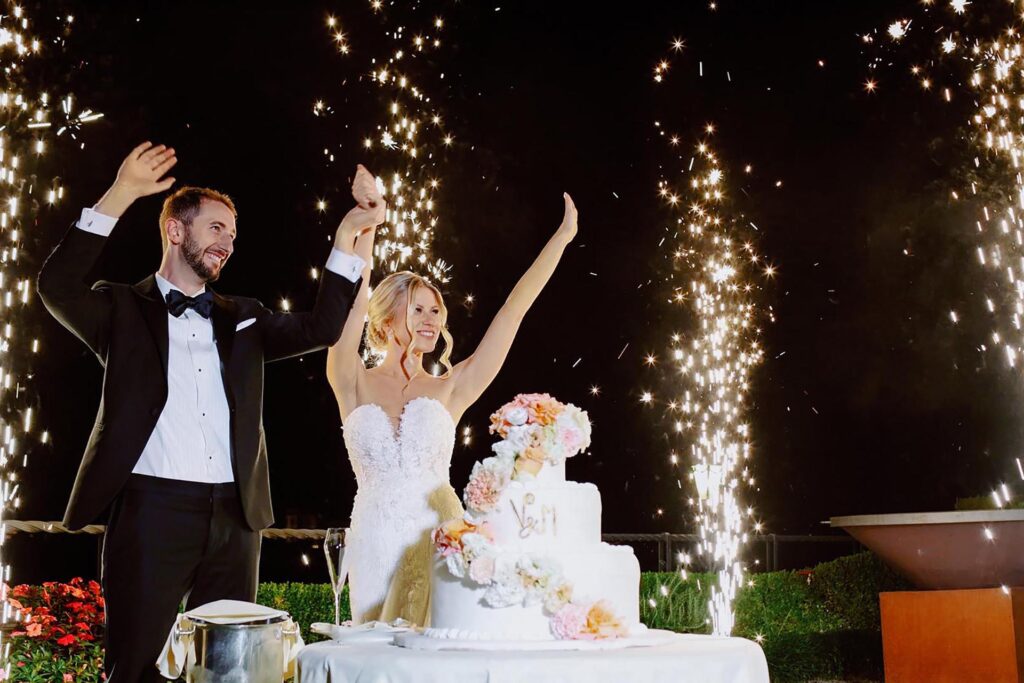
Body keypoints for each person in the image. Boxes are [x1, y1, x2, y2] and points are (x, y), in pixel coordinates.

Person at [37, 142, 385, 682]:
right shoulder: (122, 309)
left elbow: (322, 328)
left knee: (230, 671)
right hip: (152, 509)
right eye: (216, 229)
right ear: (176, 231)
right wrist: (122, 192)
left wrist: (347, 237)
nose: (227, 243)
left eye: (232, 235)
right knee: (133, 667)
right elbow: (55, 285)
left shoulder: (245, 317)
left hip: (236, 517)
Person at [326, 191, 579, 625]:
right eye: (418, 309)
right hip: (373, 541)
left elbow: (512, 312)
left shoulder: (451, 387)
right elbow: (351, 305)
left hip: (439, 537)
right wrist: (368, 227)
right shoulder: (351, 379)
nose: (432, 319)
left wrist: (561, 239)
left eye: (436, 310)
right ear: (386, 320)